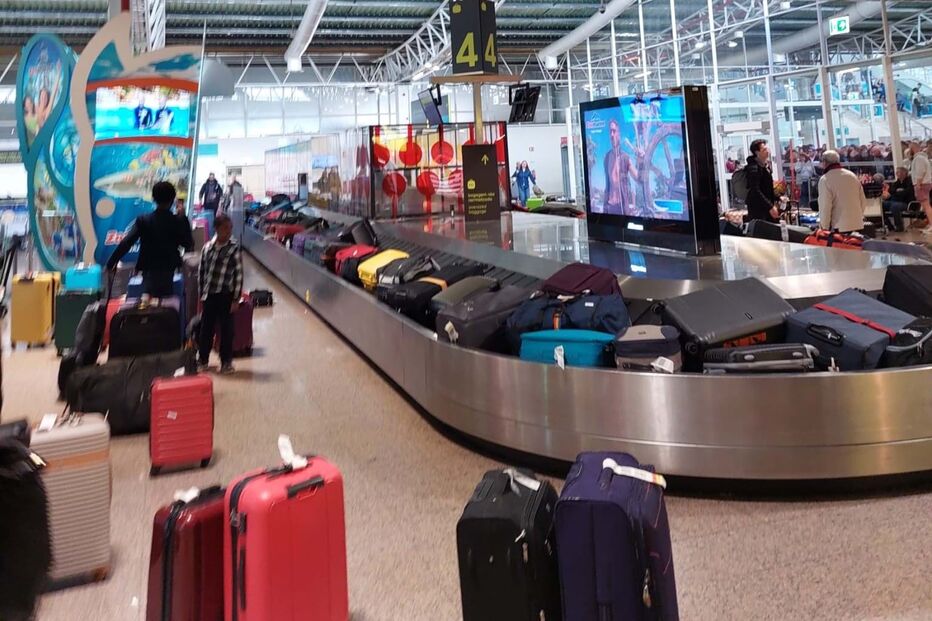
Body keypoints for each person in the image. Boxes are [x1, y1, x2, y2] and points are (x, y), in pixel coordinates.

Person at [105, 181, 194, 297]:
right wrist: (184, 220)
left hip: (148, 270)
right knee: (167, 304)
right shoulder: (178, 221)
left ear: (153, 198)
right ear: (173, 199)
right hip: (169, 269)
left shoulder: (143, 220)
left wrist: (111, 262)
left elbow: (127, 242)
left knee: (148, 303)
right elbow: (188, 244)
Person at [197, 213, 244, 375]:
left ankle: (226, 362)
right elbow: (202, 272)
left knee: (227, 330)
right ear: (216, 229)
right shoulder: (207, 248)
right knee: (206, 329)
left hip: (226, 295)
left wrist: (236, 299)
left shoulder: (233, 248)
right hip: (210, 295)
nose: (229, 231)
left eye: (230, 228)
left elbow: (238, 274)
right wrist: (201, 294)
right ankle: (202, 359)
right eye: (225, 228)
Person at [817, 150, 867, 234]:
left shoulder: (825, 179)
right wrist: (858, 216)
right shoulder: (851, 175)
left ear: (825, 162)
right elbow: (863, 200)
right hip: (857, 224)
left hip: (839, 227)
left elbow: (825, 206)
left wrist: (824, 227)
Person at [603, 119, 638, 214]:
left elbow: (638, 178)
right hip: (609, 206)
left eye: (614, 131)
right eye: (610, 132)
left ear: (619, 134)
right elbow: (607, 185)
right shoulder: (606, 158)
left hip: (622, 207)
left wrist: (642, 161)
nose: (612, 135)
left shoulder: (625, 158)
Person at [745, 139, 780, 223]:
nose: (767, 151)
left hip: (765, 206)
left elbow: (766, 188)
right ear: (757, 152)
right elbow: (755, 190)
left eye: (767, 149)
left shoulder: (764, 166)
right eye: (764, 150)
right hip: (758, 208)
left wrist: (778, 197)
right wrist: (770, 207)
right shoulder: (753, 168)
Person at [882, 166, 916, 232]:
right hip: (894, 201)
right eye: (896, 172)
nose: (896, 173)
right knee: (882, 205)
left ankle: (899, 226)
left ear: (904, 173)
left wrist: (897, 192)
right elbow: (891, 191)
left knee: (895, 206)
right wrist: (897, 191)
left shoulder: (910, 182)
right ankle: (889, 225)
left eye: (898, 172)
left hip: (906, 202)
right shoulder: (896, 182)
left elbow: (907, 193)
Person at [909, 141, 932, 233]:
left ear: (913, 148)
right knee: (926, 205)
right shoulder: (922, 158)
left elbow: (920, 172)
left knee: (926, 206)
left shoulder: (919, 159)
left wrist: (918, 184)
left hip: (922, 184)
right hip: (925, 183)